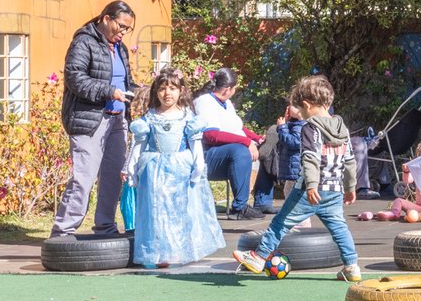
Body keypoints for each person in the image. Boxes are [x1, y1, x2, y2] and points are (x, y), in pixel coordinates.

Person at [233, 74, 362, 282]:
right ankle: (352, 266)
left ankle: (260, 257)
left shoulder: (311, 128)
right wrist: (350, 187)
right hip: (334, 190)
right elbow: (350, 161)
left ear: (307, 105)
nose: (300, 114)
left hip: (307, 191)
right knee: (339, 228)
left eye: (300, 109)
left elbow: (310, 159)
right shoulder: (342, 129)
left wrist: (311, 185)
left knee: (280, 223)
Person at [51, 0, 138, 237]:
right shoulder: (84, 42)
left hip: (118, 120)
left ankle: (105, 227)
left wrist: (141, 92)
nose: (124, 32)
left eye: (128, 29)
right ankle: (63, 232)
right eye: (121, 26)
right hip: (90, 120)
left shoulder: (120, 48)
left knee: (113, 177)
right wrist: (108, 91)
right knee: (84, 178)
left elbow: (125, 82)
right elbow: (75, 78)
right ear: (106, 19)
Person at [124, 67, 225, 268]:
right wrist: (131, 170)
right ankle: (160, 253)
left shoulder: (187, 117)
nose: (167, 93)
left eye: (172, 88)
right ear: (156, 92)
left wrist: (198, 166)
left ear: (181, 91)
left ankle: (180, 250)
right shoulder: (150, 118)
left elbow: (195, 145)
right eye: (162, 89)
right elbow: (139, 146)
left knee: (180, 210)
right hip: (155, 170)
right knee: (157, 212)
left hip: (181, 169)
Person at [191, 67, 265, 219]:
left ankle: (263, 202)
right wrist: (246, 142)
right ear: (227, 89)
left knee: (267, 149)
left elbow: (237, 127)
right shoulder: (205, 102)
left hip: (227, 153)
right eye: (235, 88)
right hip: (208, 156)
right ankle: (239, 207)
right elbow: (211, 135)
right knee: (240, 151)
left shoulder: (227, 102)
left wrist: (257, 138)